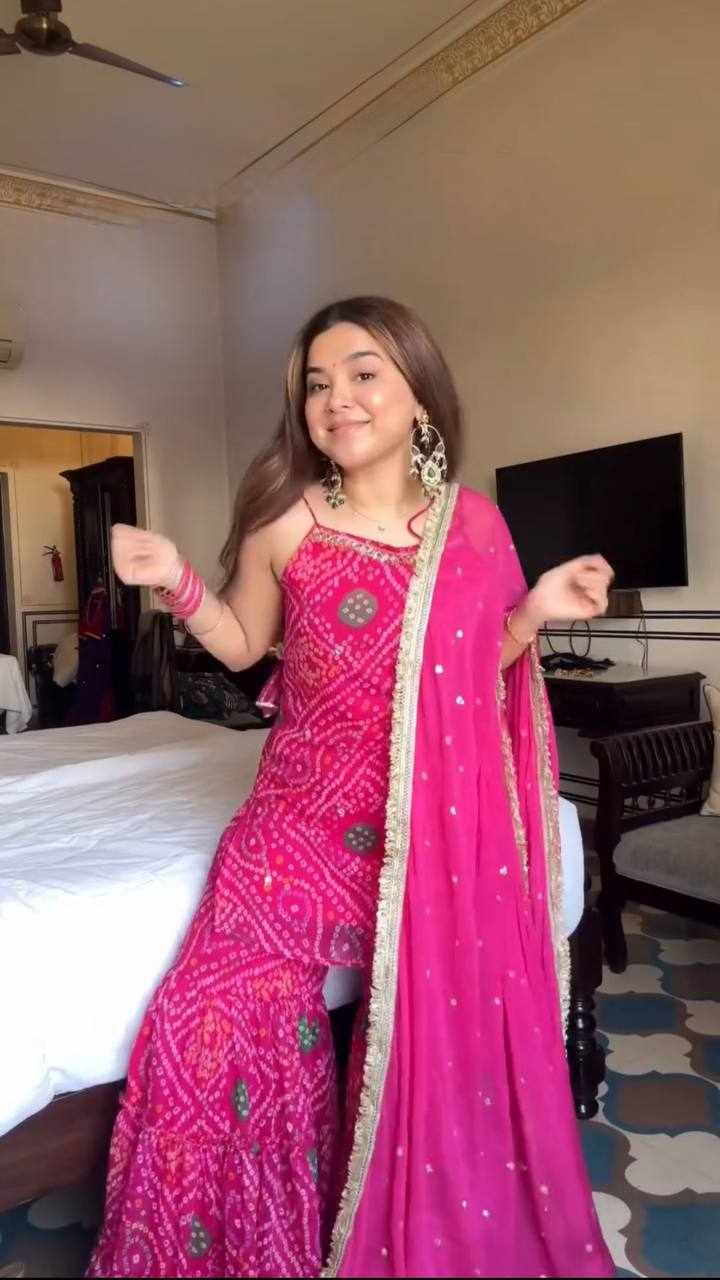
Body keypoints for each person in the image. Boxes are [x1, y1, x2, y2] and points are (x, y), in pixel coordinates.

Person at [88, 296, 614, 1279]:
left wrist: (534, 611)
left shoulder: (473, 527)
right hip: (297, 823)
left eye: (364, 373)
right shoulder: (285, 519)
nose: (338, 398)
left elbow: (476, 672)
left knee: (439, 1034)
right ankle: (258, 1251)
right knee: (201, 1021)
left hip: (430, 834)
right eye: (317, 384)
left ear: (420, 396)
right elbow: (244, 644)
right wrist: (175, 579)